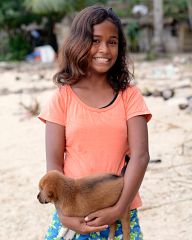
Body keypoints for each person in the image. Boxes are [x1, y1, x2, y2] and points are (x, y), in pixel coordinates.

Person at [38, 5, 152, 240]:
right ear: (78, 43)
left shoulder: (129, 95)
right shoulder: (62, 98)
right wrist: (63, 214)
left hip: (119, 209)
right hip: (73, 216)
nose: (104, 49)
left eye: (112, 42)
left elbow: (140, 156)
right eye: (95, 40)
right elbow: (54, 166)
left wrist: (119, 208)